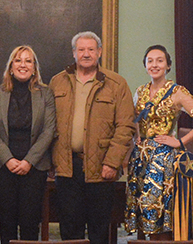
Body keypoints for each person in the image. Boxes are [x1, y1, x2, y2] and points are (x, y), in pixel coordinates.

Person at [50, 31, 135, 244]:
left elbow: (125, 127)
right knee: (69, 229)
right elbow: (47, 125)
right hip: (67, 167)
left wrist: (112, 162)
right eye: (81, 49)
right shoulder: (57, 82)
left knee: (99, 230)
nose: (86, 54)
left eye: (90, 49)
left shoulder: (116, 84)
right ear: (74, 53)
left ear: (99, 52)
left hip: (102, 168)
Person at [125, 45, 193, 240]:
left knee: (160, 218)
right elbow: (133, 120)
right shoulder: (140, 91)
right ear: (145, 65)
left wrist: (181, 142)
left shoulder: (177, 92)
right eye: (150, 61)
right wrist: (136, 137)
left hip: (164, 161)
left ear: (168, 66)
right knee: (140, 214)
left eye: (159, 60)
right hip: (140, 159)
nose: (154, 65)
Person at [0, 45, 57, 242]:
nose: (23, 65)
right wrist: (8, 159)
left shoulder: (46, 94)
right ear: (11, 66)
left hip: (34, 167)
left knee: (30, 224)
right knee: (6, 224)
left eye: (28, 61)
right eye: (18, 60)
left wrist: (28, 161)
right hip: (2, 167)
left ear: (34, 68)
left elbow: (49, 130)